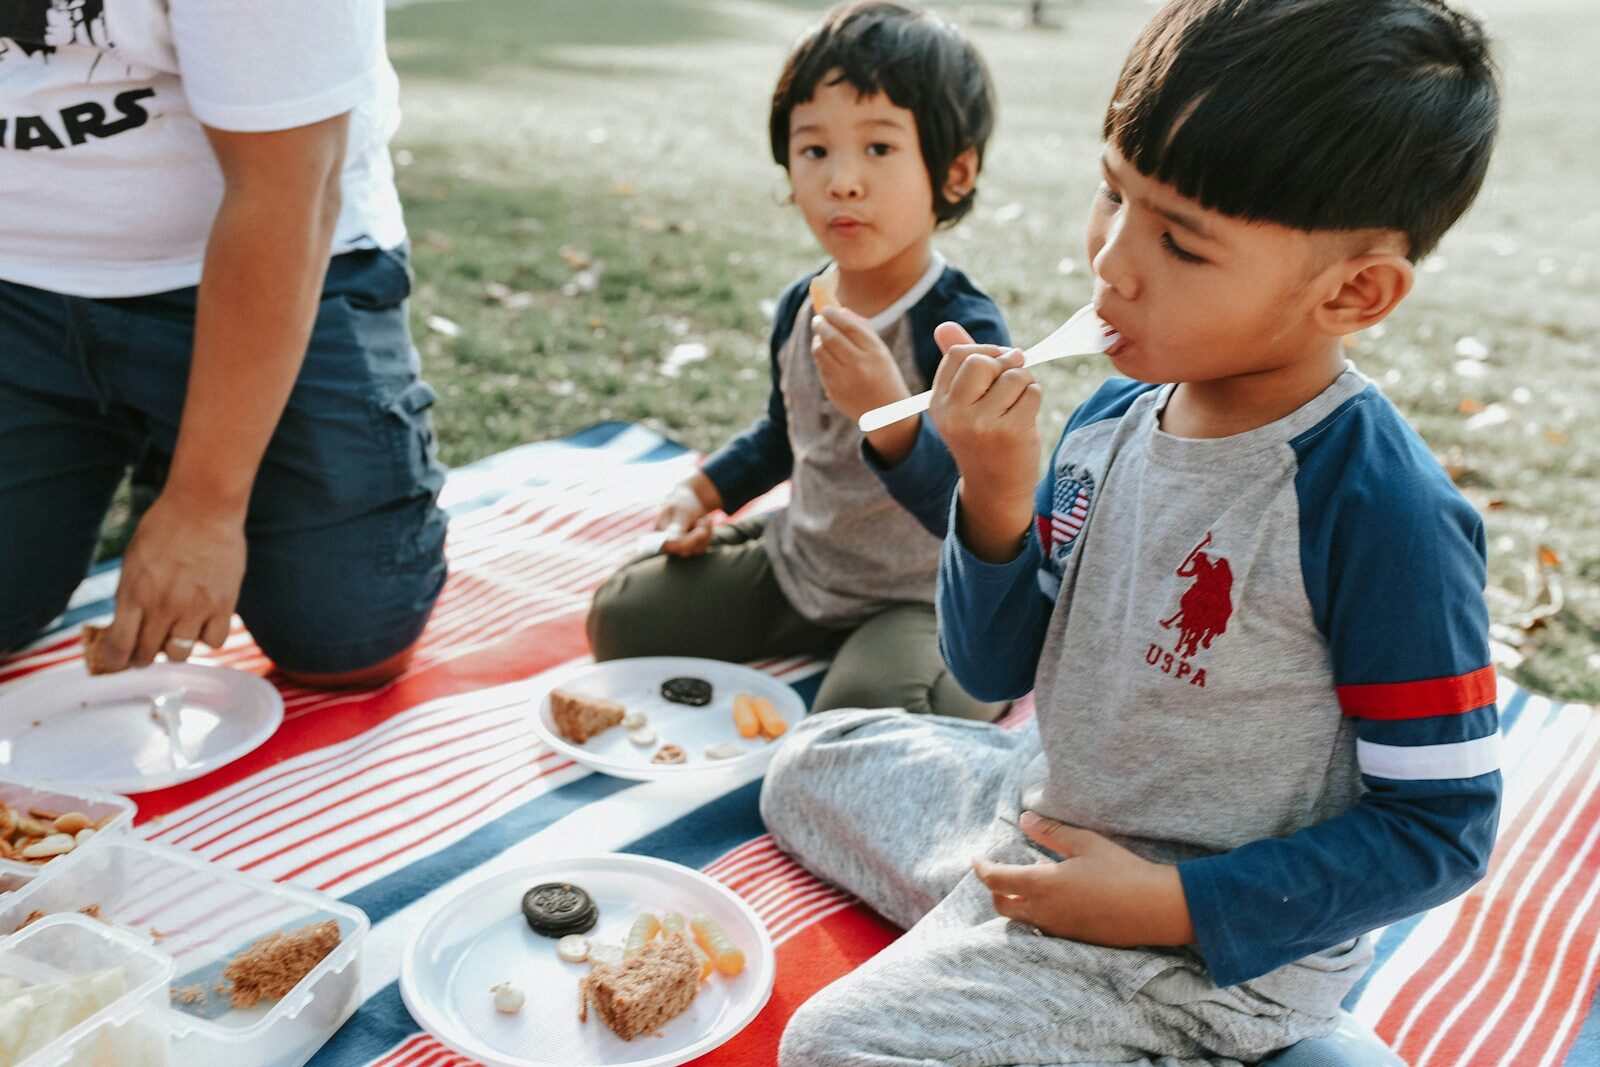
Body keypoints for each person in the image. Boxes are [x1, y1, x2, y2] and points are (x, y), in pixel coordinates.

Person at [761, 0, 1503, 1061]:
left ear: (1355, 290)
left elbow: (1440, 829)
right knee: (807, 758)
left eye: (1180, 242)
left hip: (1199, 940)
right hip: (1051, 802)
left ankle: (1234, 1032)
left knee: (831, 1045)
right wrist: (995, 498)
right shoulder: (1110, 416)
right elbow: (996, 661)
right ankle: (1016, 927)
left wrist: (1159, 904)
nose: (1111, 261)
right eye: (1113, 193)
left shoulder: (1376, 507)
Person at [0, 0, 447, 687]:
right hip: (18, 288)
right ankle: (148, 437)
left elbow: (289, 188)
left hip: (264, 259)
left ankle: (185, 446)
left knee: (347, 638)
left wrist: (205, 503)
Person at [588, 1, 1009, 720]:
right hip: (802, 565)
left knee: (869, 716)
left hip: (917, 594)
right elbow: (785, 436)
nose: (842, 180)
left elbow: (979, 508)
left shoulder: (958, 328)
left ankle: (948, 659)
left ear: (955, 172)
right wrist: (703, 492)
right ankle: (788, 600)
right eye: (814, 150)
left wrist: (888, 416)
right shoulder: (802, 306)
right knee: (622, 616)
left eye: (878, 149)